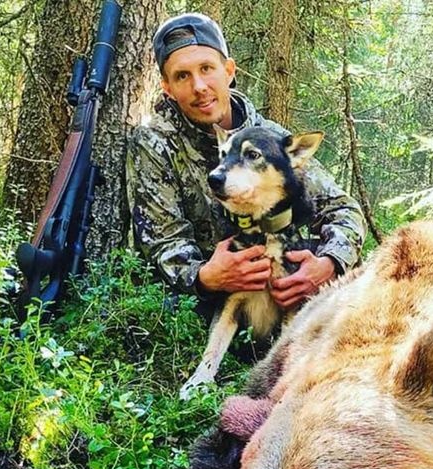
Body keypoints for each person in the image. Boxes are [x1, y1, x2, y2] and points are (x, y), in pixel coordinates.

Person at [125, 13, 365, 321]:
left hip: (277, 298)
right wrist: (203, 277)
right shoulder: (156, 143)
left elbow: (344, 210)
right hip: (203, 305)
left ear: (228, 70)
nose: (199, 86)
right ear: (167, 88)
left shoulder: (272, 140)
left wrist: (328, 264)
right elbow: (162, 241)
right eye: (182, 76)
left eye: (206, 69)